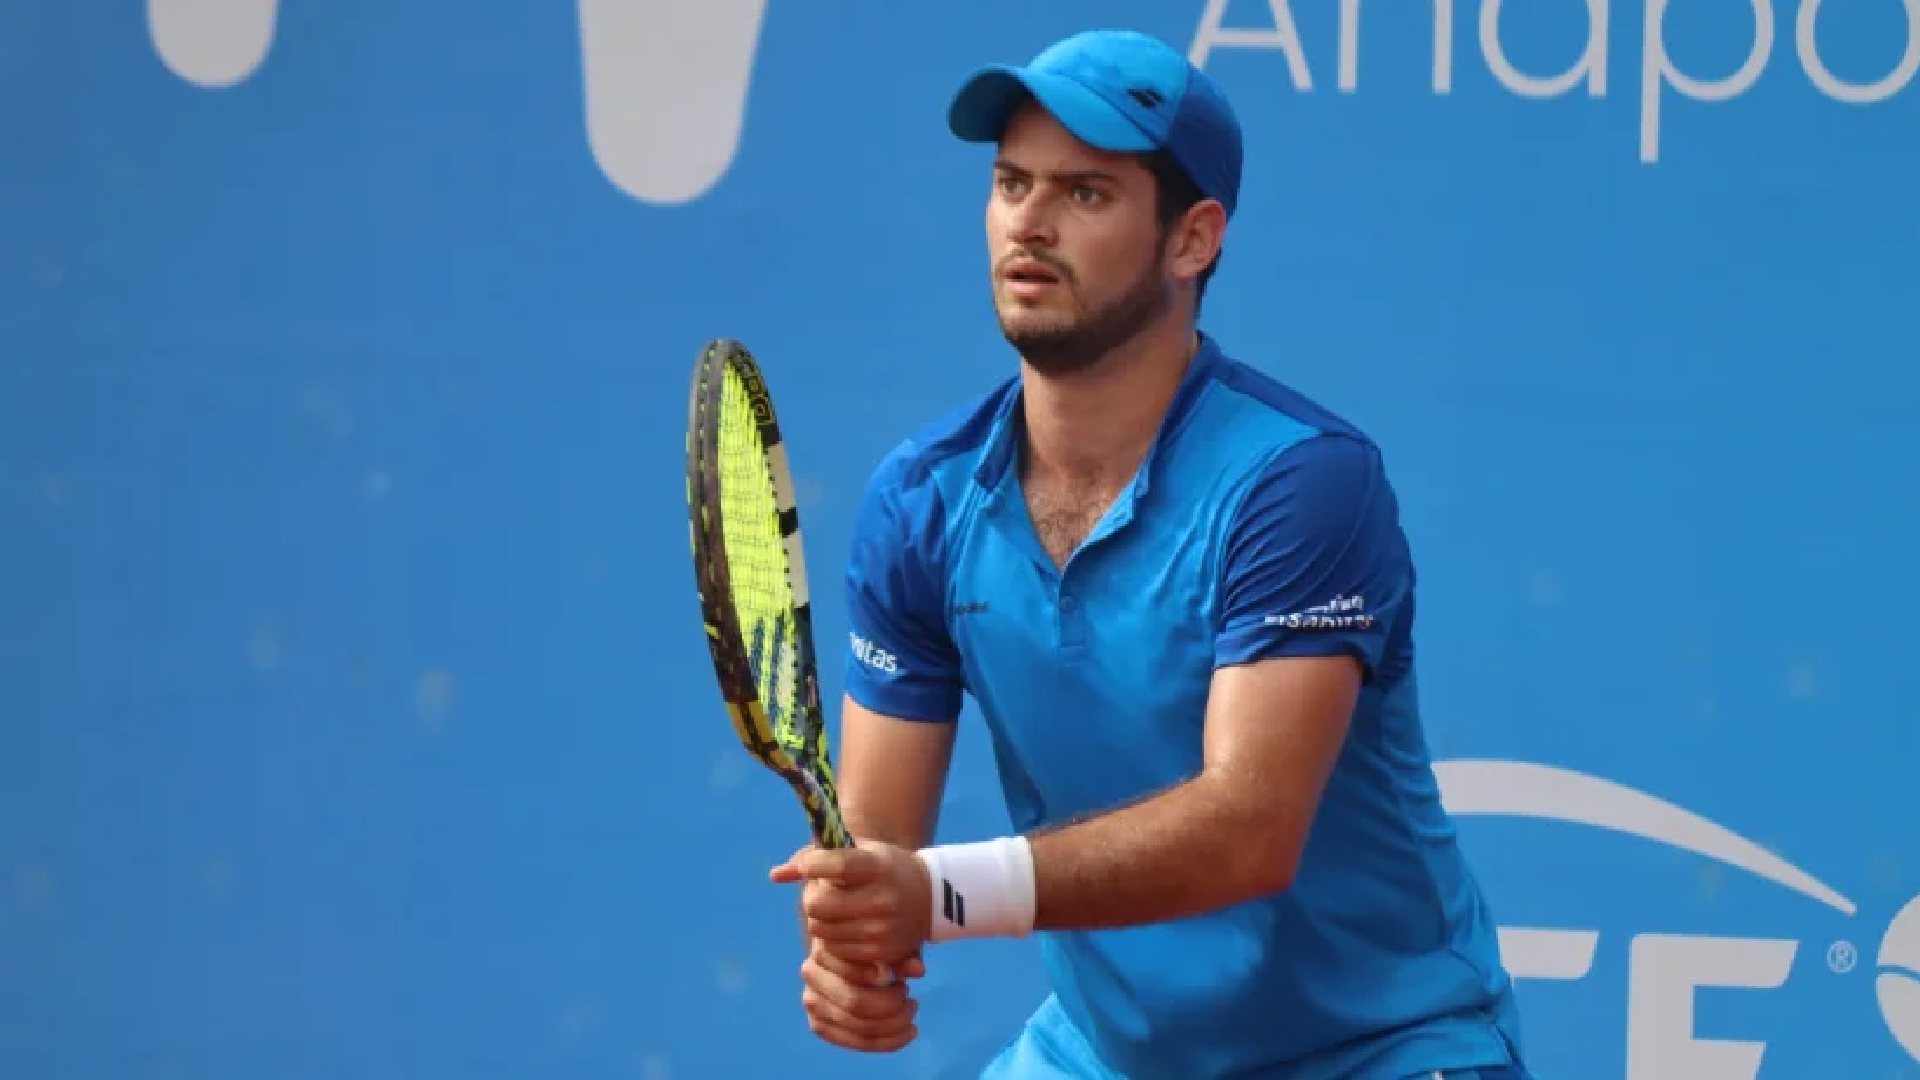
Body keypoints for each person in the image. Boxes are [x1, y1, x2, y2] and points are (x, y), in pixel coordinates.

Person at [769, 26, 1532, 1080]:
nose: (1028, 223)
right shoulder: (923, 501)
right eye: (1010, 183)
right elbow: (877, 851)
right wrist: (855, 943)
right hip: (1107, 1056)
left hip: (1377, 1052)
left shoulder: (1301, 484)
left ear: (1192, 239)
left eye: (1085, 194)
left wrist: (934, 897)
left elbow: (1248, 830)